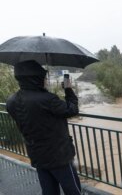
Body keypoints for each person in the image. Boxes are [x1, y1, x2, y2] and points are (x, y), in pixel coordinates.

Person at [6, 60, 81, 195]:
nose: (46, 80)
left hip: (37, 155)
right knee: (73, 190)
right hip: (59, 157)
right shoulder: (48, 100)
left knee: (49, 191)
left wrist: (44, 93)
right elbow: (72, 110)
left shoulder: (11, 101)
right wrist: (68, 89)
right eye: (43, 78)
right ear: (36, 79)